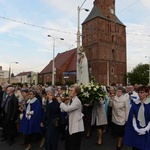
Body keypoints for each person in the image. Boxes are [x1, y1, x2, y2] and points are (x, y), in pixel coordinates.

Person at [57, 84, 84, 150]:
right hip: (70, 125)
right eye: (70, 90)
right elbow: (63, 109)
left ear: (76, 92)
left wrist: (61, 102)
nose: (70, 92)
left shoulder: (77, 101)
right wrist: (65, 103)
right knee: (68, 145)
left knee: (74, 146)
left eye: (71, 91)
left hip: (76, 127)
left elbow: (67, 109)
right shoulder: (71, 100)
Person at [123, 86, 150, 150]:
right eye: (139, 92)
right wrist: (136, 128)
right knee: (136, 146)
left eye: (142, 92)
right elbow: (132, 116)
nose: (140, 94)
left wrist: (146, 128)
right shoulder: (135, 103)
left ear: (147, 93)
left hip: (148, 129)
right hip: (137, 128)